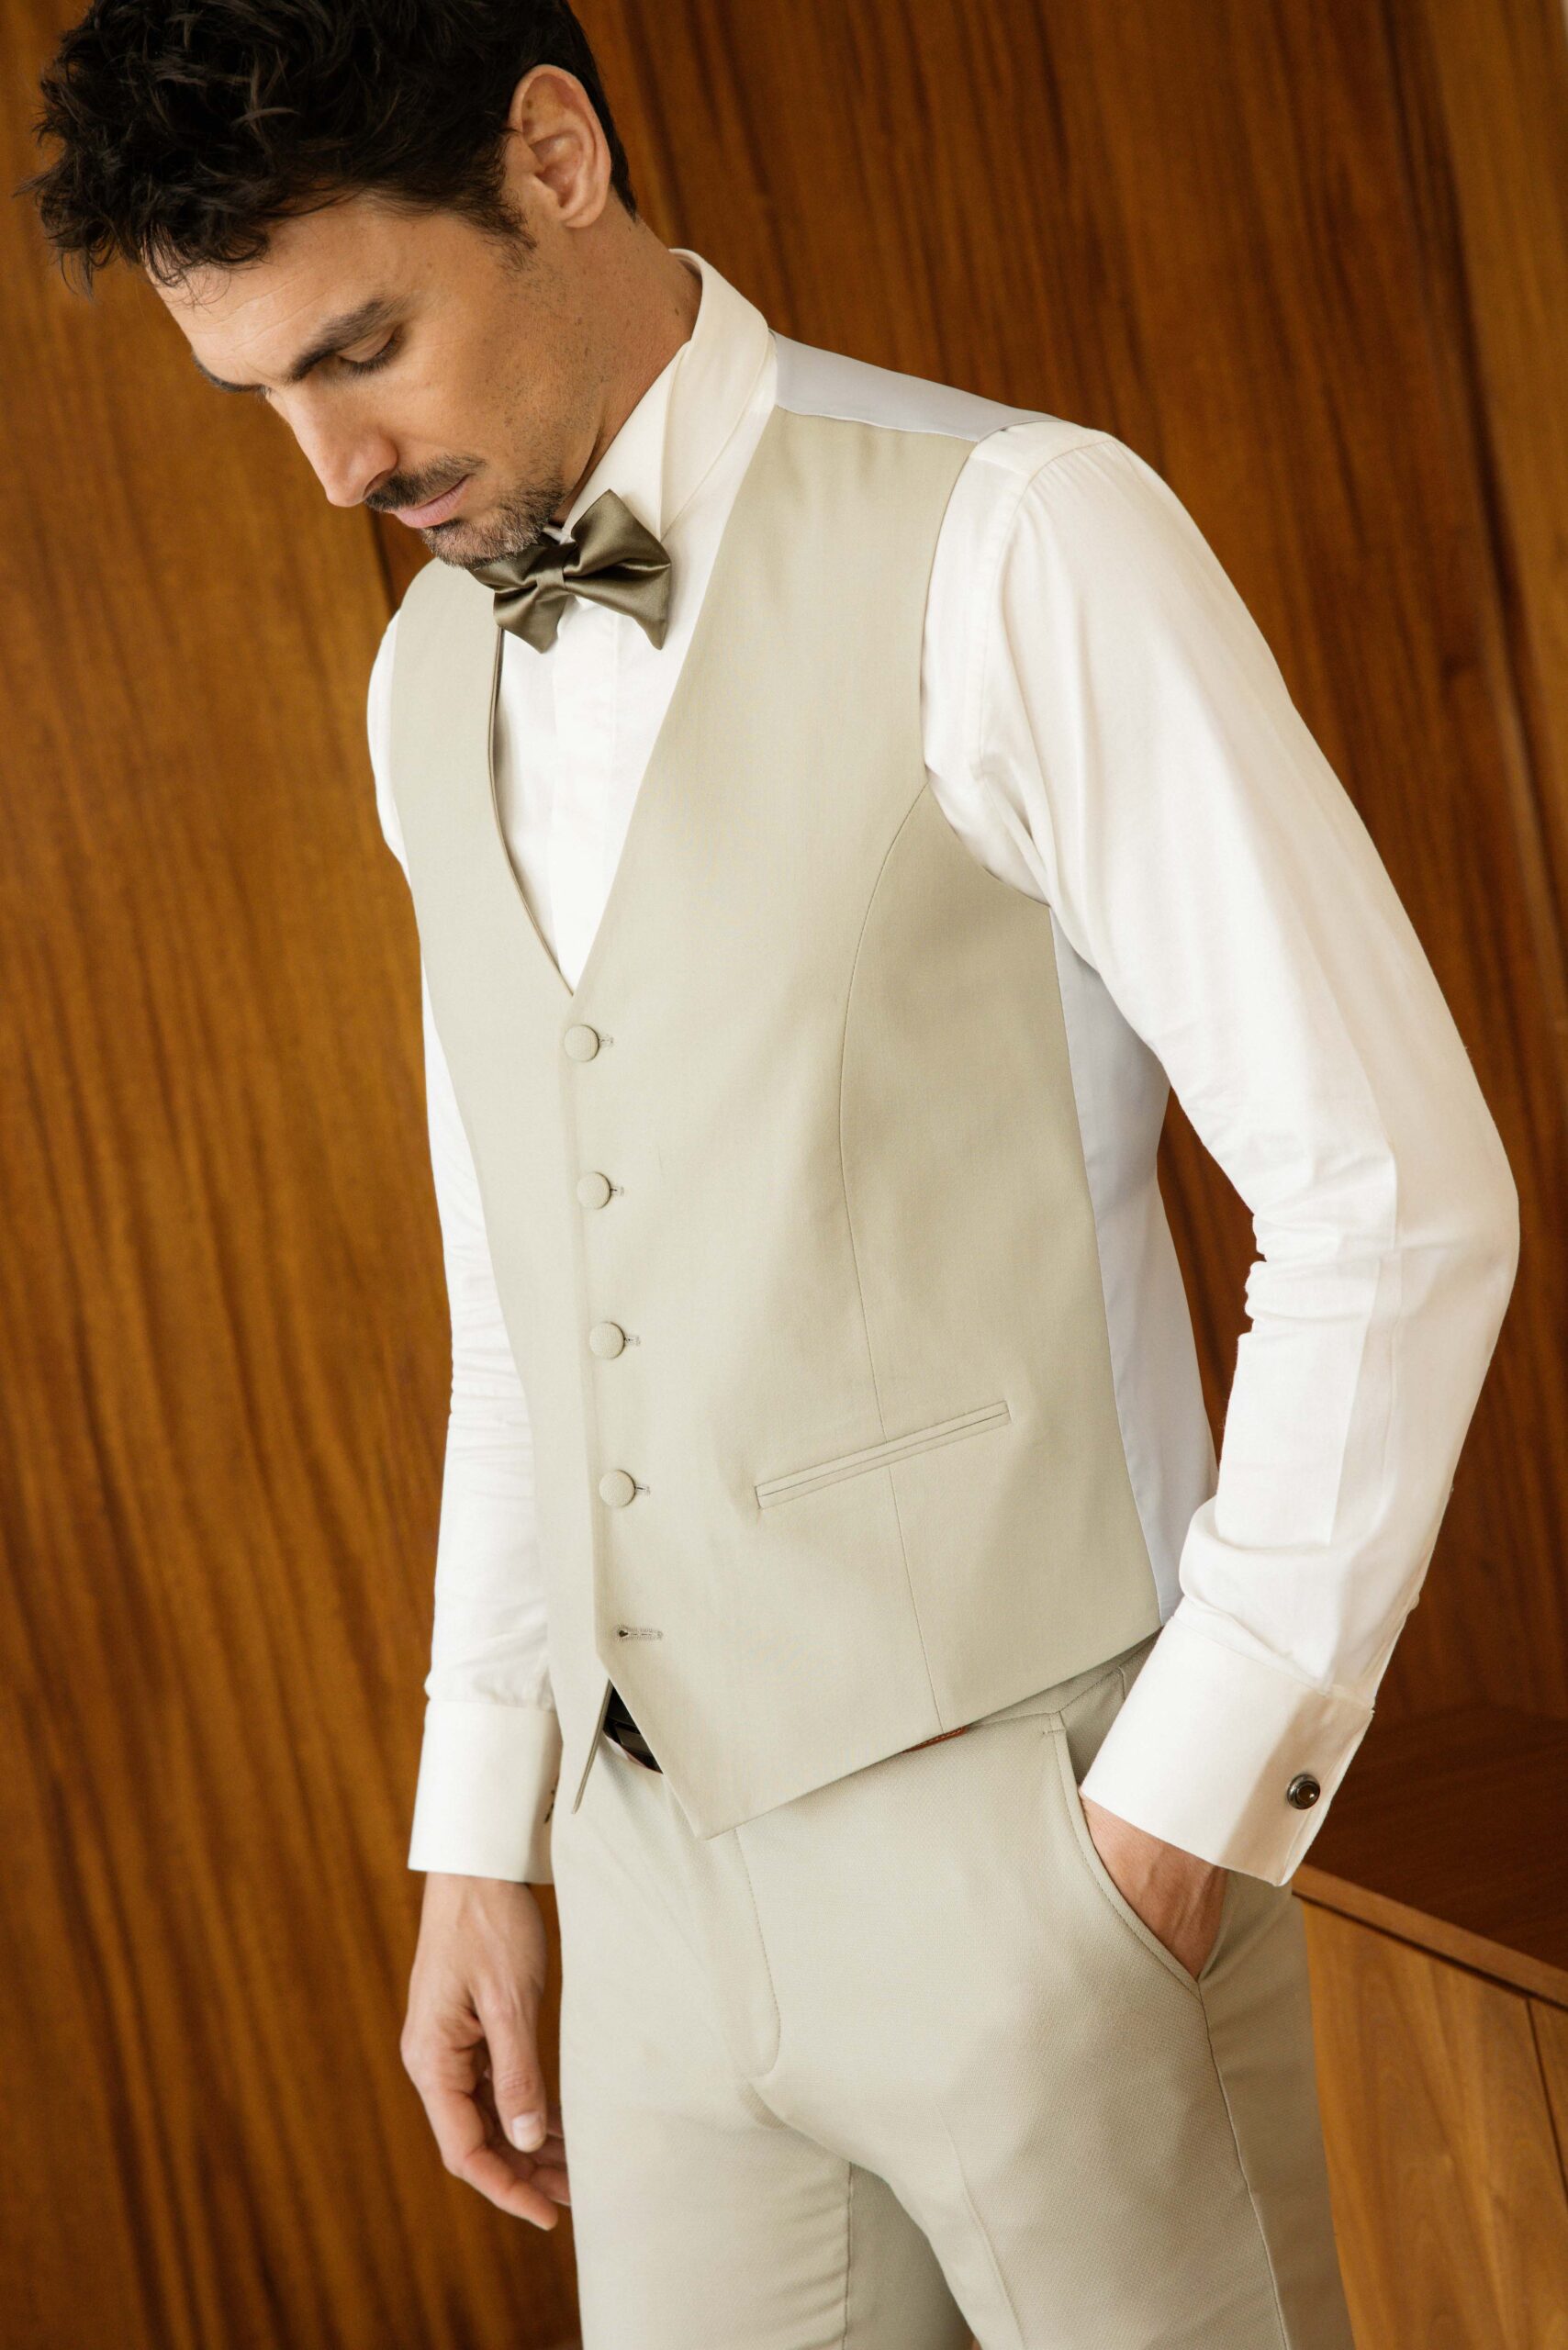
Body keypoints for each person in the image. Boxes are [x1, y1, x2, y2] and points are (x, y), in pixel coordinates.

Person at [24, 5, 1519, 2343]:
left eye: (363, 349)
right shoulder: (425, 679)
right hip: (637, 1885)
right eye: (263, 398)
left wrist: (1170, 1818)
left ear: (552, 156)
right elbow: (526, 1292)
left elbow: (1390, 1196)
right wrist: (480, 1828)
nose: (331, 468)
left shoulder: (1014, 531)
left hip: (1039, 1845)